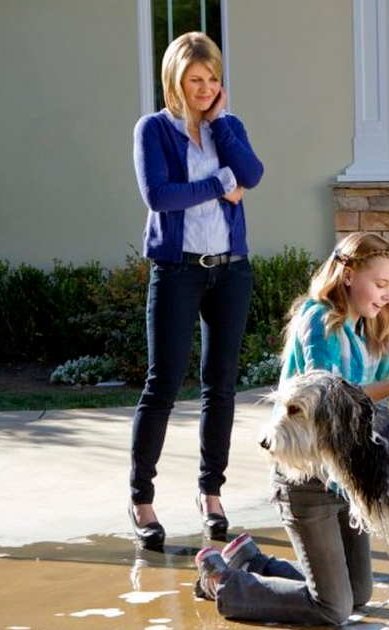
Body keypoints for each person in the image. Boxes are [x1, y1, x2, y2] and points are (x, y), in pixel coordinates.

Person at [193, 232, 389, 625]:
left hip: (345, 479)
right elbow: (332, 398)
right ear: (348, 275)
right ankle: (222, 581)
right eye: (380, 284)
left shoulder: (373, 328)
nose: (388, 295)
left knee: (358, 595)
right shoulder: (318, 320)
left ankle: (250, 560)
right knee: (333, 608)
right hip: (304, 477)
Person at [128, 32, 264, 550]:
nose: (205, 88)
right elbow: (160, 196)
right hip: (178, 270)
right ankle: (142, 499)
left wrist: (222, 124)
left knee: (221, 385)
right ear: (175, 81)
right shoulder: (154, 130)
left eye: (212, 79)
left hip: (231, 270)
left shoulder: (226, 126)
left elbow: (252, 173)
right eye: (195, 79)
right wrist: (218, 186)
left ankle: (212, 495)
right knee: (162, 384)